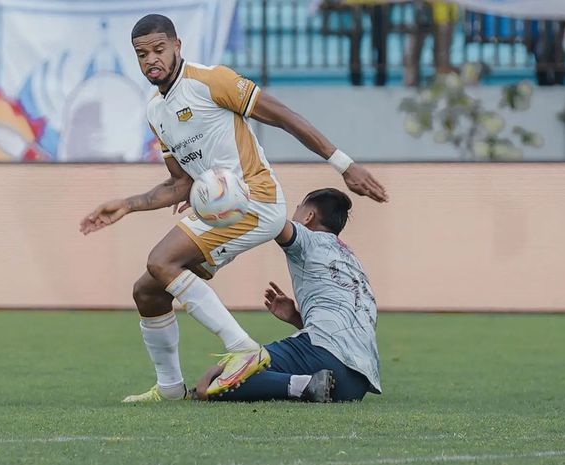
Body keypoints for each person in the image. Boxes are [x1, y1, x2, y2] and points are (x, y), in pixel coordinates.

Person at [79, 14, 387, 403]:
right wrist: (127, 205)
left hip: (256, 200)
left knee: (161, 260)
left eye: (158, 49)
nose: (151, 60)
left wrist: (343, 164)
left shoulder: (213, 81)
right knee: (148, 290)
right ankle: (171, 390)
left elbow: (285, 118)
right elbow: (180, 185)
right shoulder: (156, 112)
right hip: (221, 210)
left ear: (177, 46)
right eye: (142, 54)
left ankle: (243, 348)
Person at [192, 188, 381, 402]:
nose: (294, 214)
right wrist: (296, 318)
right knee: (256, 376)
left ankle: (303, 385)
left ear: (309, 217)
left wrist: (226, 197)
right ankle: (305, 386)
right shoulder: (352, 260)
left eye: (298, 209)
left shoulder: (309, 239)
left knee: (215, 382)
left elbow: (271, 220)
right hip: (354, 385)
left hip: (324, 356)